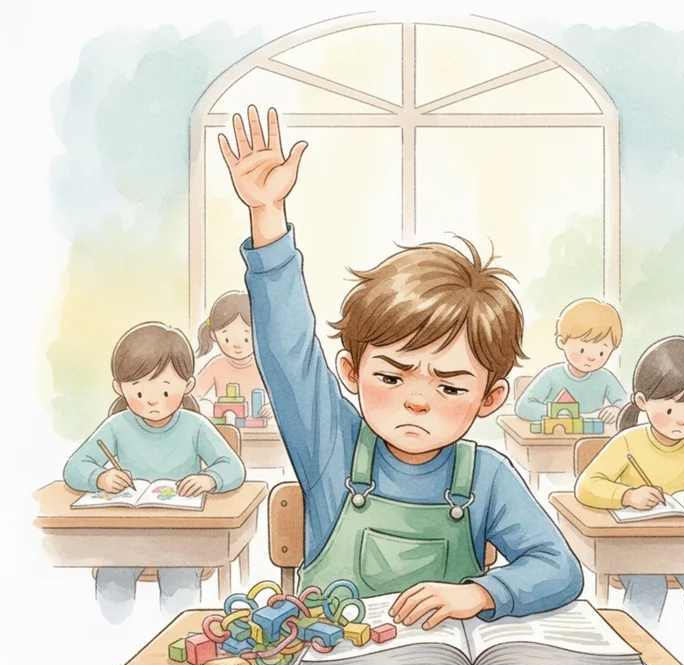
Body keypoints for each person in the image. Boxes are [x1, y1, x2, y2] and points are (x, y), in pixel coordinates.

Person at [219, 105, 583, 631]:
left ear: (490, 397)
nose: (418, 400)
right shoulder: (332, 448)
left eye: (450, 386)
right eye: (392, 377)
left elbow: (559, 570)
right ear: (351, 372)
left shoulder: (486, 476)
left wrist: (481, 594)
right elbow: (288, 351)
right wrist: (267, 215)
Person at [63, 322, 246, 622]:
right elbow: (74, 468)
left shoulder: (195, 426)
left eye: (164, 389)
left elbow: (234, 468)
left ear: (187, 385)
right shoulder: (117, 426)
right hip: (127, 536)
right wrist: (100, 477)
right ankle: (115, 644)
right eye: (138, 389)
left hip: (180, 536)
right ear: (119, 388)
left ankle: (177, 645)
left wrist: (208, 478)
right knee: (112, 581)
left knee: (182, 589)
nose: (152, 400)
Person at [575, 336, 684, 630]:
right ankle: (638, 651)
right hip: (635, 549)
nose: (682, 422)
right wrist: (628, 495)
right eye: (671, 410)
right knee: (648, 588)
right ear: (642, 402)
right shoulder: (628, 442)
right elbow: (587, 486)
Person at [515, 298, 626, 426]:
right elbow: (523, 407)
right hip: (556, 436)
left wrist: (617, 410)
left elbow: (626, 401)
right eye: (582, 349)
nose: (591, 357)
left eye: (601, 353)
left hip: (589, 437)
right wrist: (559, 413)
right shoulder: (552, 375)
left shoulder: (605, 378)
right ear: (562, 342)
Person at [194, 290, 272, 420]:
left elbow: (286, 397)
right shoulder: (216, 366)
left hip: (261, 432)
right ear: (213, 335)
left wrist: (272, 409)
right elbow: (193, 395)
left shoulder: (266, 366)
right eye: (227, 339)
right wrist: (205, 406)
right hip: (225, 430)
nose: (237, 346)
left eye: (246, 339)